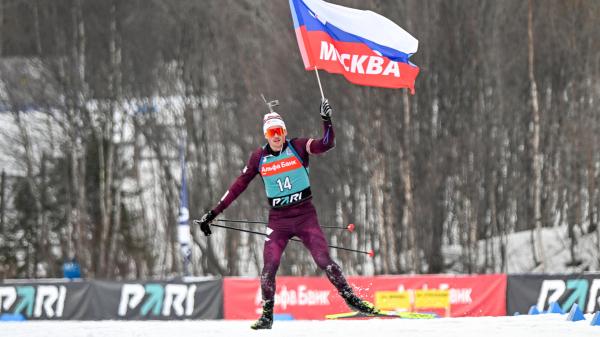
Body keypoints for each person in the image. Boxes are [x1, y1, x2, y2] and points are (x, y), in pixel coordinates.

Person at [197, 99, 378, 329]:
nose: (276, 136)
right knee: (268, 268)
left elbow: (327, 144)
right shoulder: (258, 158)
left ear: (284, 132)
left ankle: (353, 300)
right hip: (279, 221)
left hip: (305, 216)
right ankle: (267, 316)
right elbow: (236, 187)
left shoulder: (298, 147)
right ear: (266, 135)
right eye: (272, 132)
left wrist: (326, 121)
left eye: (279, 131)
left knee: (324, 260)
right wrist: (212, 214)